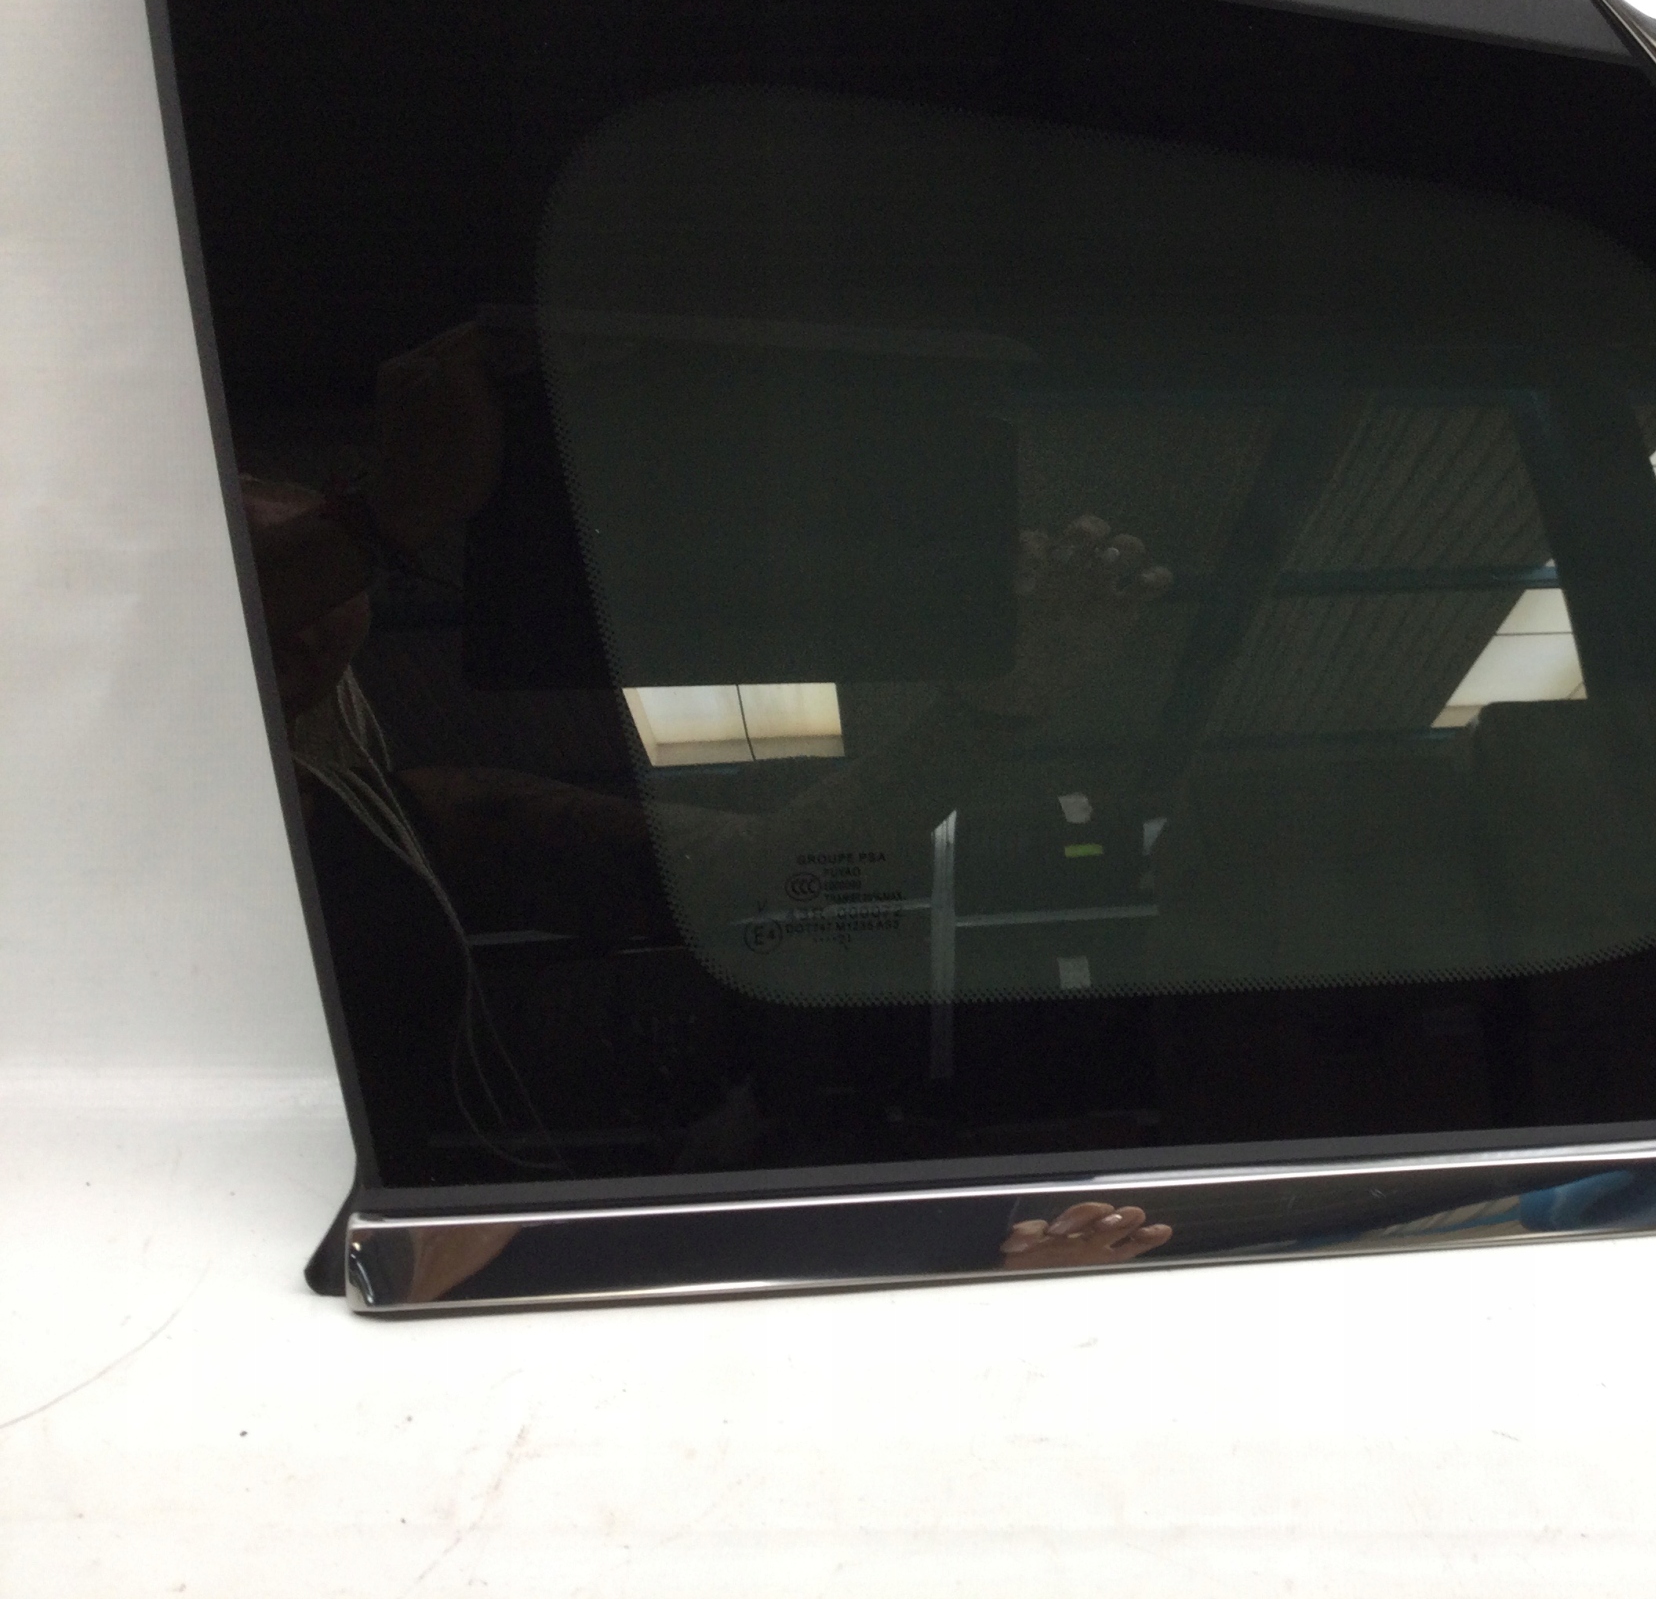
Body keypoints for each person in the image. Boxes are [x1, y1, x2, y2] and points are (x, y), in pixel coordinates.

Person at [247, 321, 1175, 1285]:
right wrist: (382, 519)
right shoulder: (179, 827)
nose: (296, 626)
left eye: (312, 606)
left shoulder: (403, 827)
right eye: (265, 569)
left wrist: (995, 709)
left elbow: (771, 867)